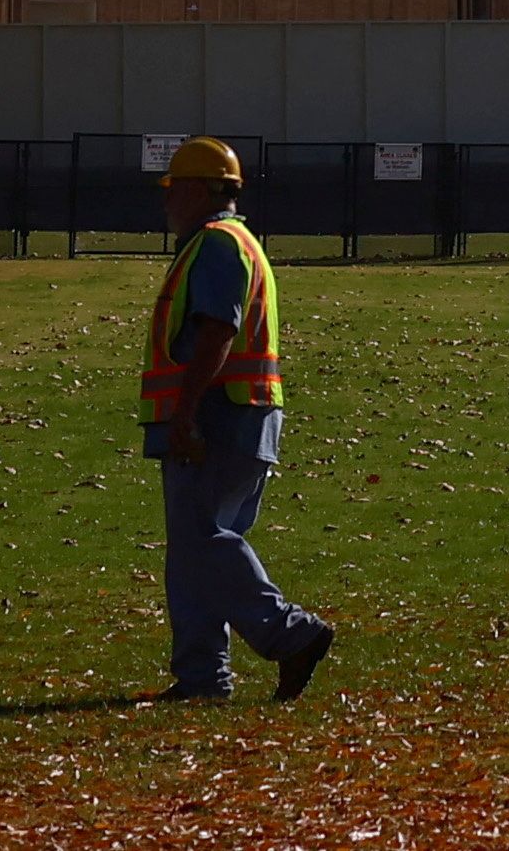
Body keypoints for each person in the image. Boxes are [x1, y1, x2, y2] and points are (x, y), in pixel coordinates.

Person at [141, 138, 336, 701]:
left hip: (218, 415)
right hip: (239, 414)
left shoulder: (217, 246)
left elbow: (216, 331)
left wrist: (184, 413)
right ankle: (203, 677)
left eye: (175, 188)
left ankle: (289, 632)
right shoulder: (236, 243)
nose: (168, 201)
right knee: (196, 549)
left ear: (202, 189)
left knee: (205, 542)